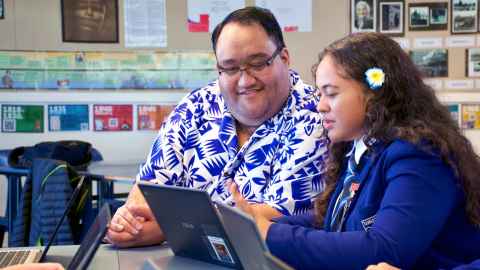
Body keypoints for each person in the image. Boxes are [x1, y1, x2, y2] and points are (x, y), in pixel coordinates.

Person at [231, 32, 480, 269]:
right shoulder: (363, 148)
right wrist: (258, 223)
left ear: (374, 94)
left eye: (331, 93)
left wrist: (271, 234)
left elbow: (383, 249)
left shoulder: (419, 155)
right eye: (320, 94)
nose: (320, 106)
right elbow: (334, 225)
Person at [106, 7, 328, 248]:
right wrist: (129, 224)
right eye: (230, 68)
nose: (245, 80)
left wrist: (165, 228)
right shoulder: (197, 106)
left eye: (258, 63)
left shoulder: (315, 117)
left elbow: (267, 221)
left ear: (284, 58)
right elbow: (146, 195)